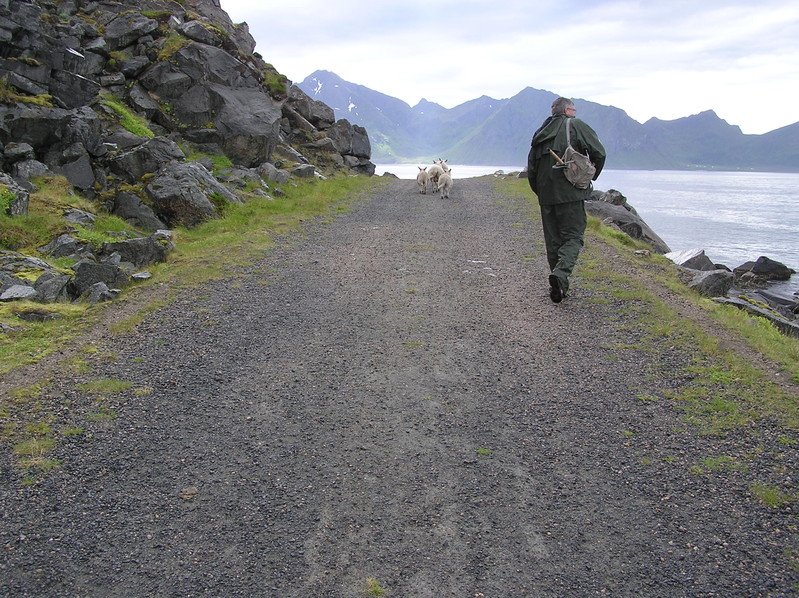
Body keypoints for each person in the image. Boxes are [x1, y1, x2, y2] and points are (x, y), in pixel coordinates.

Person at [527, 97, 606, 303]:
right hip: (571, 193)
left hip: (546, 195)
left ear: (554, 112)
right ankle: (560, 275)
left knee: (553, 241)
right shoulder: (576, 126)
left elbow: (532, 168)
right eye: (574, 110)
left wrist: (541, 192)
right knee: (574, 237)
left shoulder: (540, 133)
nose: (575, 113)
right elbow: (600, 153)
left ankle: (560, 286)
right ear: (568, 110)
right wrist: (588, 177)